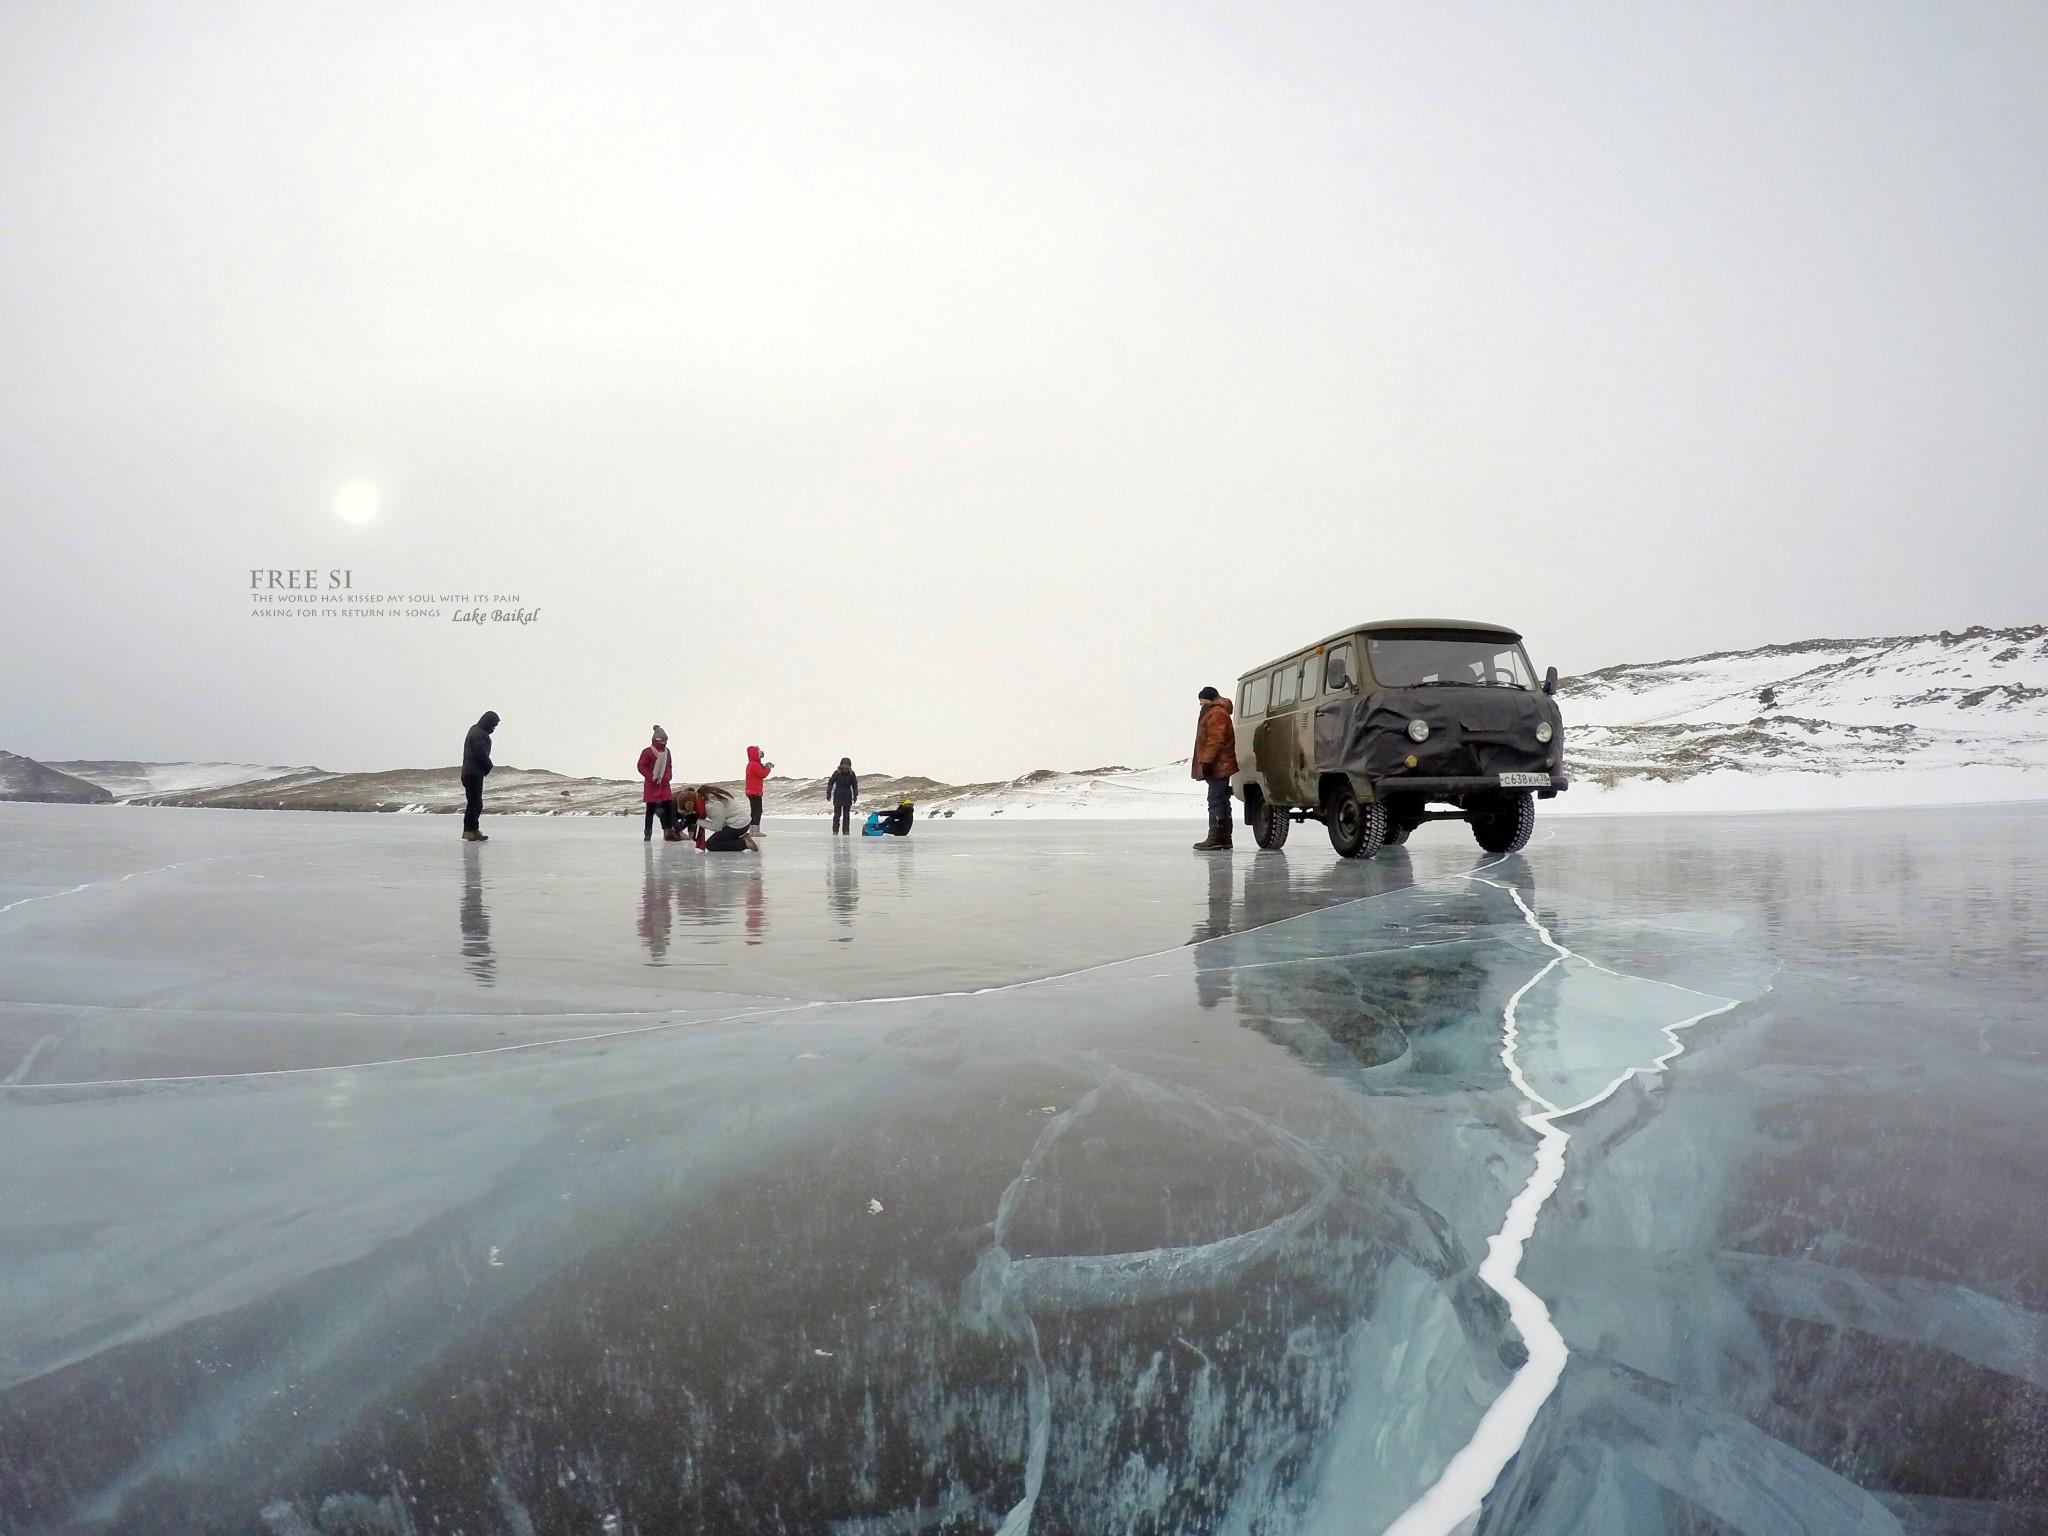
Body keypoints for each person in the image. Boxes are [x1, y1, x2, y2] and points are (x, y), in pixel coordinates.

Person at [1190, 685, 1238, 852]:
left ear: (1207, 698)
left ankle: (1216, 837)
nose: (1200, 704)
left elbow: (1216, 740)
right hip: (1220, 764)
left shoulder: (1216, 713)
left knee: (1216, 800)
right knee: (1221, 800)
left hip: (1219, 765)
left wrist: (1207, 762)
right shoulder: (1216, 712)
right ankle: (1224, 838)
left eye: (1201, 700)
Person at [460, 710, 499, 841]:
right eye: (493, 725)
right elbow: (480, 754)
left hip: (473, 772)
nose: (493, 728)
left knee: (476, 803)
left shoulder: (477, 731)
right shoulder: (478, 734)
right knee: (474, 803)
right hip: (472, 773)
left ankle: (474, 829)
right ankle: (468, 831)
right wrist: (489, 766)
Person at [638, 726, 680, 841]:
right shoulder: (647, 752)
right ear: (655, 740)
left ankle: (669, 832)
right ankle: (648, 834)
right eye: (661, 741)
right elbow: (641, 766)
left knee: (669, 809)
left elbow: (669, 765)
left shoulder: (667, 752)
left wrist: (669, 775)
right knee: (650, 810)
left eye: (665, 741)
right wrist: (650, 776)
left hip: (665, 785)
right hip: (652, 786)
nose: (664, 743)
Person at [694, 784, 757, 852]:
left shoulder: (713, 805)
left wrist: (697, 821)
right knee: (720, 838)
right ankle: (743, 838)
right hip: (743, 822)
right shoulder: (715, 795)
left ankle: (744, 843)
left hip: (738, 826)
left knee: (711, 844)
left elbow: (717, 827)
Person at [744, 746, 774, 836]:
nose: (760, 754)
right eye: (758, 752)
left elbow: (758, 770)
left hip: (750, 791)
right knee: (758, 811)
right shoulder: (754, 764)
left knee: (754, 811)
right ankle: (755, 831)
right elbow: (762, 774)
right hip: (755, 792)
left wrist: (764, 766)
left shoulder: (751, 764)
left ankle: (752, 831)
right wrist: (768, 768)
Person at [826, 757, 858, 835]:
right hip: (840, 796)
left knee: (843, 815)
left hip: (845, 796)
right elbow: (831, 782)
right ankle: (838, 831)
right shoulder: (837, 773)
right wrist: (828, 793)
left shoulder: (851, 774)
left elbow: (854, 785)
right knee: (840, 815)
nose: (845, 768)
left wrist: (855, 795)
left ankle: (843, 831)